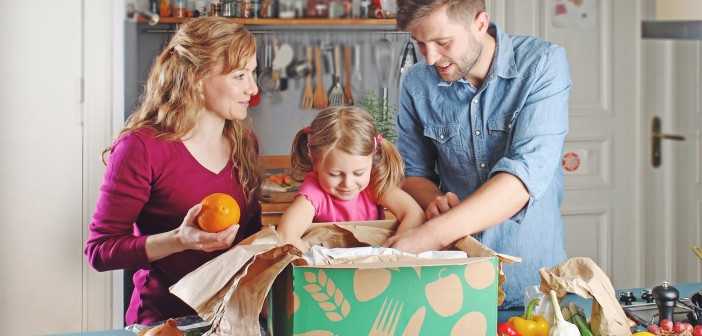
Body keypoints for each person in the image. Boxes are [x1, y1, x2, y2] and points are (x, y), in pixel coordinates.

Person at [384, 0, 572, 309]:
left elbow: (522, 179)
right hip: (452, 282)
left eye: (443, 43)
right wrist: (434, 199)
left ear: (480, 23)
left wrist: (428, 235)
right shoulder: (417, 83)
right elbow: (413, 174)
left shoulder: (543, 64)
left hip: (531, 285)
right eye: (420, 44)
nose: (430, 58)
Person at [84, 17, 264, 325]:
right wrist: (181, 239)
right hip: (165, 323)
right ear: (197, 78)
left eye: (253, 73)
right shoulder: (141, 147)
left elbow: (249, 238)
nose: (253, 88)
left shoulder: (244, 142)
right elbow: (100, 251)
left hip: (233, 319)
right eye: (239, 75)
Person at [277, 106, 425, 251]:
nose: (348, 184)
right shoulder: (314, 192)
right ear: (314, 162)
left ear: (372, 160)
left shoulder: (373, 184)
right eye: (335, 174)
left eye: (359, 173)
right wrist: (315, 264)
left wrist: (392, 252)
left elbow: (415, 214)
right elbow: (286, 234)